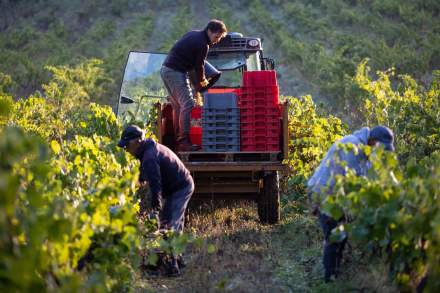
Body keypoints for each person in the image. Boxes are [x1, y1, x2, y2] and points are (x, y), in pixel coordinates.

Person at [307, 125, 395, 282]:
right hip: (323, 193)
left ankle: (334, 275)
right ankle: (329, 280)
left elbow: (366, 179)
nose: (380, 150)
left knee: (341, 235)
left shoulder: (365, 151)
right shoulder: (353, 145)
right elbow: (353, 181)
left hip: (335, 195)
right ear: (374, 140)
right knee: (334, 235)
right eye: (380, 146)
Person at [160, 19, 227, 151]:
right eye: (217, 36)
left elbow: (191, 62)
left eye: (219, 38)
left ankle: (179, 140)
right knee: (188, 104)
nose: (217, 40)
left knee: (178, 105)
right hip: (175, 71)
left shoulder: (193, 34)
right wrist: (202, 82)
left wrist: (197, 84)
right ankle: (183, 141)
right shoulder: (203, 44)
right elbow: (199, 66)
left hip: (166, 70)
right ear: (209, 31)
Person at [117, 124, 194, 233]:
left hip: (181, 187)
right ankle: (169, 247)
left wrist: (155, 208)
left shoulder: (149, 156)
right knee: (167, 221)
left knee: (170, 223)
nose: (126, 149)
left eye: (127, 145)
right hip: (174, 188)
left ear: (137, 141)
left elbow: (155, 183)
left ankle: (172, 248)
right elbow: (145, 174)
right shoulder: (146, 150)